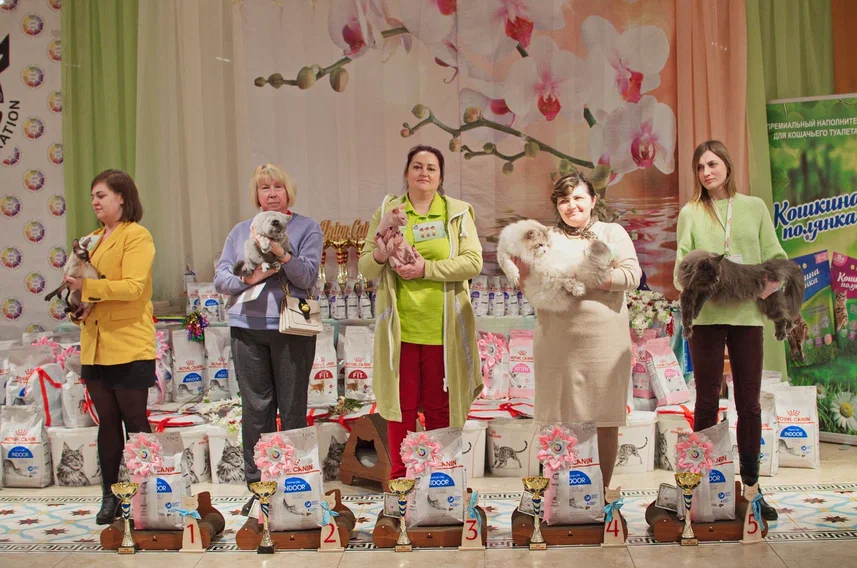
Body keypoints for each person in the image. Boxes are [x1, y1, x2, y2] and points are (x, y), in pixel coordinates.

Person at [358, 145, 483, 480]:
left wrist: (426, 269)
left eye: (431, 168)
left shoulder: (456, 213)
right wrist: (382, 253)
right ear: (406, 173)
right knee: (401, 409)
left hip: (444, 330)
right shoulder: (388, 212)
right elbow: (366, 267)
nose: (423, 173)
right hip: (400, 331)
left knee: (442, 409)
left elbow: (473, 262)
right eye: (417, 166)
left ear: (440, 177)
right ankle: (402, 481)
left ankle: (441, 480)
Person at [674, 140, 783, 520]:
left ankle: (752, 490)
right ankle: (702, 487)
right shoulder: (690, 212)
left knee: (749, 403)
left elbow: (775, 256)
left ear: (727, 165)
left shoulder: (753, 207)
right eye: (700, 167)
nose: (706, 172)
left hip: (747, 318)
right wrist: (701, 282)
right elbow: (680, 270)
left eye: (712, 164)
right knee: (706, 400)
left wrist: (763, 286)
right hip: (705, 319)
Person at [515, 171, 641, 488]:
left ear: (593, 200)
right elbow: (530, 286)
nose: (571, 205)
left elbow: (631, 275)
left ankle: (601, 494)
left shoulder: (612, 233)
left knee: (605, 420)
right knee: (556, 421)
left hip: (605, 344)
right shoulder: (544, 238)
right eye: (564, 200)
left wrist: (590, 277)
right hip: (555, 343)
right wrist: (525, 275)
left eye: (578, 198)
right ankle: (558, 495)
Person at [214, 163, 323, 513]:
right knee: (256, 410)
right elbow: (221, 278)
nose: (272, 193)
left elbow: (307, 276)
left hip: (292, 328)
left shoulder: (306, 227)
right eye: (265, 188)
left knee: (292, 408)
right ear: (256, 195)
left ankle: (295, 485)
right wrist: (249, 279)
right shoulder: (240, 231)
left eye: (278, 186)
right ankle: (259, 487)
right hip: (247, 329)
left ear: (289, 191)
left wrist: (280, 254)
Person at [65, 170, 156, 525]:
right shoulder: (91, 239)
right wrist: (76, 305)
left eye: (101, 195)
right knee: (107, 423)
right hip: (94, 345)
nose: (95, 202)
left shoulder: (137, 236)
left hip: (129, 344)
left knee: (135, 421)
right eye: (92, 197)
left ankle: (147, 492)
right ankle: (110, 495)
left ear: (122, 197)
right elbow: (81, 291)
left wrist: (87, 289)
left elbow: (133, 287)